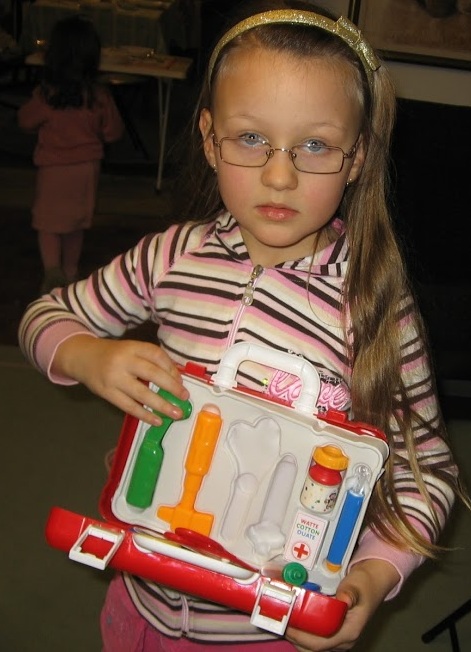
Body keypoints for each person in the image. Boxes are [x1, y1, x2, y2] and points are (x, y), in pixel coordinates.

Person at [18, 1, 469, 650]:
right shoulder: (170, 256)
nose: (278, 175)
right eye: (251, 137)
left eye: (314, 145)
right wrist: (88, 355)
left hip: (265, 630)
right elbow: (44, 314)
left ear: (356, 157)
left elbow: (424, 468)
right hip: (139, 602)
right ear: (208, 137)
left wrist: (372, 576)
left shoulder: (373, 306)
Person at [18, 15, 124, 295]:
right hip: (86, 171)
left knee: (48, 222)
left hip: (53, 170)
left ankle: (52, 272)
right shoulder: (98, 96)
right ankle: (70, 271)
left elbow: (24, 121)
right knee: (76, 224)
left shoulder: (46, 96)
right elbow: (114, 131)